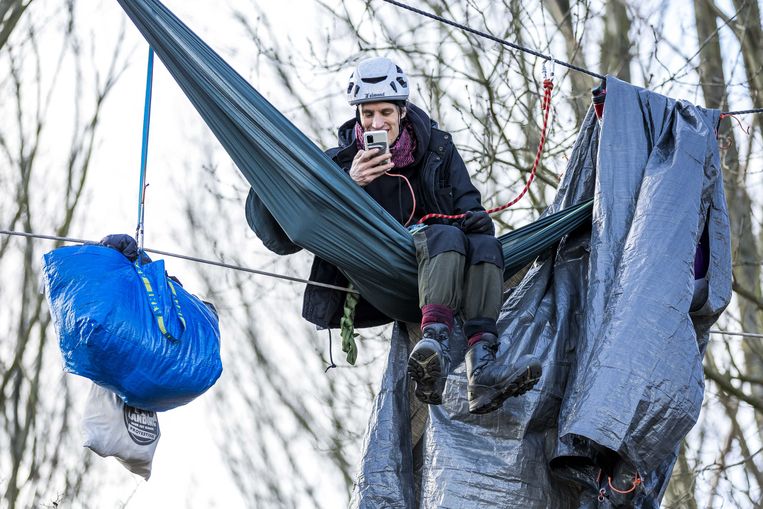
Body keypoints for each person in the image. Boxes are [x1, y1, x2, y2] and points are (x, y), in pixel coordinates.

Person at [246, 57, 541, 414]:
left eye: (385, 112)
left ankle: (483, 367)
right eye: (367, 114)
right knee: (444, 236)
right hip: (380, 269)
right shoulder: (336, 164)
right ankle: (434, 347)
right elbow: (303, 224)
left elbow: (470, 207)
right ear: (358, 116)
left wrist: (476, 219)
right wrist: (349, 184)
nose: (376, 122)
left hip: (439, 264)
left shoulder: (439, 151)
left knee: (485, 245)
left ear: (402, 111)